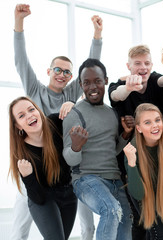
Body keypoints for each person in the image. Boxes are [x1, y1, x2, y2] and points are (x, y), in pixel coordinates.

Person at [13, 4, 102, 240]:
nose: (62, 74)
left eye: (67, 72)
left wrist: (97, 35)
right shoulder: (34, 90)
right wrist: (19, 22)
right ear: (49, 71)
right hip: (36, 170)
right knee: (20, 228)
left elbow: (91, 65)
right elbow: (21, 59)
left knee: (87, 226)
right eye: (57, 70)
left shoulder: (71, 93)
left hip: (65, 172)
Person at [62, 59, 131, 240]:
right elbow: (69, 159)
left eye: (97, 81)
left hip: (115, 180)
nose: (93, 87)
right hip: (86, 179)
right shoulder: (74, 114)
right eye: (87, 82)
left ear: (106, 81)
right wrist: (76, 146)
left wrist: (125, 135)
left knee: (127, 218)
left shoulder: (112, 113)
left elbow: (112, 151)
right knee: (111, 210)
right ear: (80, 85)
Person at [9, 96, 77, 240]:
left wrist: (72, 105)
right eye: (21, 116)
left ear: (38, 111)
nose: (29, 115)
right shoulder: (22, 153)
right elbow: (38, 198)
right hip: (43, 198)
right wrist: (27, 177)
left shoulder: (55, 122)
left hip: (68, 193)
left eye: (31, 109)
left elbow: (82, 119)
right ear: (18, 126)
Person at [123, 103, 163, 240]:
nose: (155, 125)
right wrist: (131, 163)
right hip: (145, 194)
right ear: (139, 128)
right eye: (148, 122)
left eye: (157, 120)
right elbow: (138, 193)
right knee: (160, 234)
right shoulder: (132, 150)